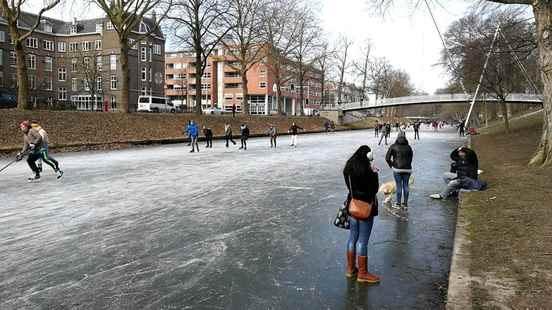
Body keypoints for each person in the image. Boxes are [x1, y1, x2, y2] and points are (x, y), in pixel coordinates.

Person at [343, 145, 380, 284]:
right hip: (366, 209)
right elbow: (374, 190)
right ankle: (363, 273)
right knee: (362, 241)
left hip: (352, 206)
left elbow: (350, 186)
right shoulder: (368, 172)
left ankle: (350, 269)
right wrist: (375, 173)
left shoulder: (348, 169)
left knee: (352, 238)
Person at [385, 135, 413, 210]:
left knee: (399, 186)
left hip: (397, 169)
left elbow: (387, 158)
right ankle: (405, 204)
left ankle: (398, 204)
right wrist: (407, 165)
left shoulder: (393, 146)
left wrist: (391, 165)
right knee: (406, 185)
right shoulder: (409, 147)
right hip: (407, 169)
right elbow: (411, 157)